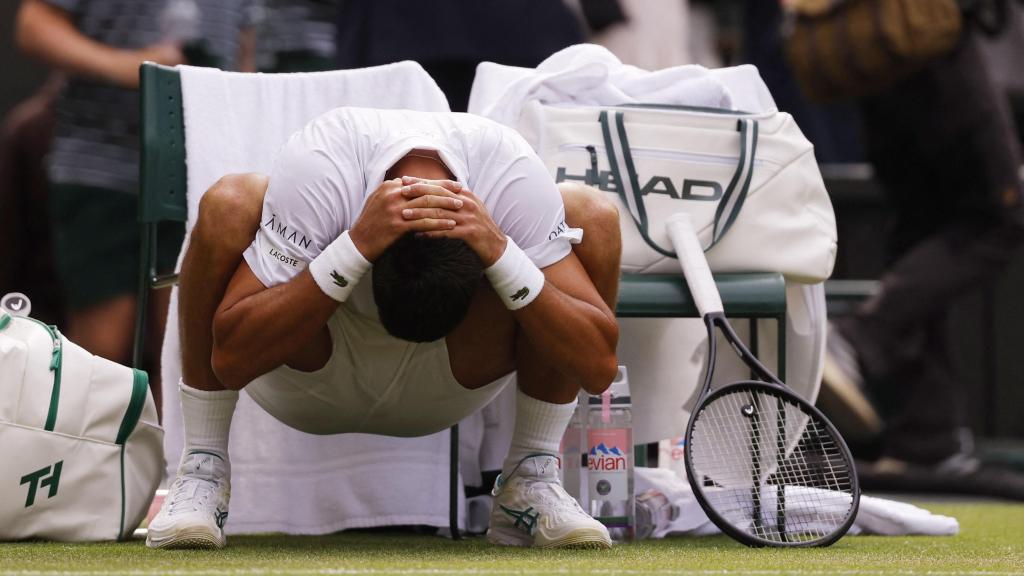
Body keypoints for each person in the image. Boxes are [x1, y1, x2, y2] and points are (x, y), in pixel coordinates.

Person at [145, 107, 623, 549]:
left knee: (591, 215)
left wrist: (499, 250)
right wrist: (355, 245)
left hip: (450, 381)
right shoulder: (325, 159)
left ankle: (532, 476)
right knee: (232, 200)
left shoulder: (509, 168)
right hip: (309, 374)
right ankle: (202, 467)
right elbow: (230, 361)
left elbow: (598, 369)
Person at [14, 0, 257, 409]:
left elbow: (245, 45)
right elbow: (33, 25)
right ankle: (92, 468)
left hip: (198, 172)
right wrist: (127, 66)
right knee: (101, 355)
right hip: (101, 168)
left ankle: (170, 468)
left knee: (184, 352)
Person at [822, 25, 1024, 500]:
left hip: (872, 57)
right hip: (930, 44)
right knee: (1000, 221)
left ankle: (927, 435)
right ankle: (857, 337)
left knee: (924, 228)